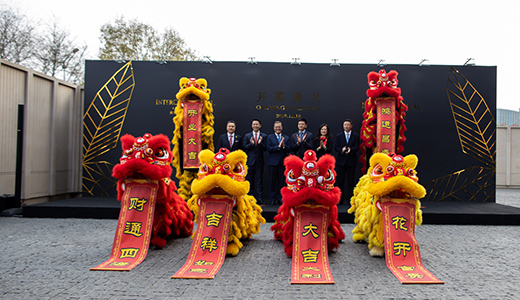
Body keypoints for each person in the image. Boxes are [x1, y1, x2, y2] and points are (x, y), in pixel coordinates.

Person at [334, 119, 360, 204]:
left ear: (351, 126)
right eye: (345, 125)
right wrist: (341, 150)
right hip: (341, 161)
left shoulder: (355, 136)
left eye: (348, 125)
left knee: (350, 181)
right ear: (343, 126)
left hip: (351, 161)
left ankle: (350, 199)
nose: (346, 126)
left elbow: (357, 147)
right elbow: (336, 147)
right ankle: (340, 199)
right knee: (340, 181)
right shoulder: (339, 136)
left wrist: (351, 150)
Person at [242, 119, 267, 204]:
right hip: (250, 161)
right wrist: (251, 144)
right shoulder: (247, 136)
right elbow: (244, 147)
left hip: (260, 161)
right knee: (250, 180)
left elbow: (266, 148)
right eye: (254, 124)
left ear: (260, 125)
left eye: (257, 124)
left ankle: (260, 198)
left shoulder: (263, 136)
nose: (255, 126)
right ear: (252, 125)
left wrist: (260, 143)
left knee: (259, 180)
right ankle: (250, 197)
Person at [266, 120, 290, 205]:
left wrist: (283, 146)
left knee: (281, 181)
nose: (278, 128)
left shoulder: (286, 138)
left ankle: (280, 198)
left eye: (279, 127)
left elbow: (289, 149)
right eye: (276, 127)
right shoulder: (269, 137)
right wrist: (278, 147)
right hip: (272, 163)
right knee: (272, 181)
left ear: (282, 127)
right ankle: (272, 198)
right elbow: (269, 148)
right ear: (274, 128)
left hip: (282, 163)